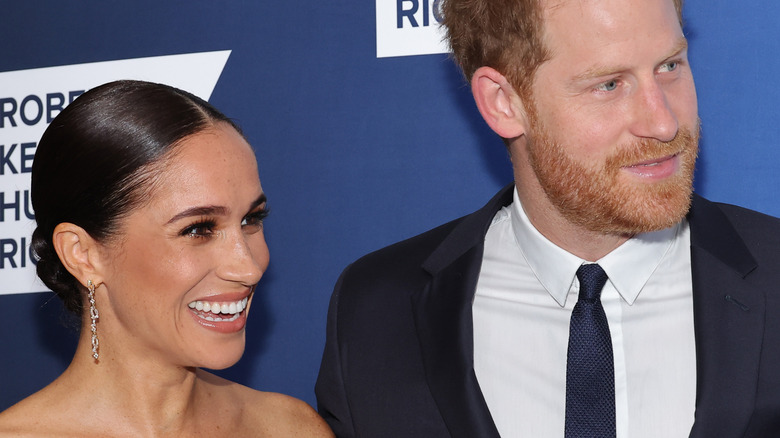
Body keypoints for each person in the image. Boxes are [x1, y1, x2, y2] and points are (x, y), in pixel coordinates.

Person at [314, 0, 780, 436]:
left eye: (670, 66)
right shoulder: (375, 310)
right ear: (503, 102)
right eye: (609, 84)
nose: (663, 123)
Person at [0, 80, 333, 437]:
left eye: (251, 220)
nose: (248, 268)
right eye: (197, 229)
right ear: (83, 254)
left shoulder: (290, 429)